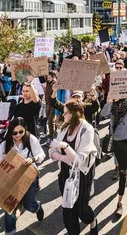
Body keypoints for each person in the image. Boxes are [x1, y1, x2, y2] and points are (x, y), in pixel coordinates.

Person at [49, 100, 98, 235]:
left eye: (65, 113)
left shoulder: (87, 129)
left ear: (74, 114)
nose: (63, 116)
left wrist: (64, 146)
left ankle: (92, 220)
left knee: (81, 211)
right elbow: (51, 153)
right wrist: (63, 158)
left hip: (82, 175)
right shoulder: (64, 127)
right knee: (68, 211)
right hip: (65, 174)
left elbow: (79, 161)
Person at [0, 117, 45, 233]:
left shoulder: (31, 139)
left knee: (29, 205)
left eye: (21, 132)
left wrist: (33, 159)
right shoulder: (4, 145)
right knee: (9, 209)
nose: (18, 135)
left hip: (28, 177)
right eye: (14, 132)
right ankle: (10, 232)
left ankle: (36, 207)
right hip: (10, 180)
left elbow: (41, 154)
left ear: (25, 130)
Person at [100, 84, 127, 217]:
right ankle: (124, 175)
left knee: (122, 171)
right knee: (119, 164)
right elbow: (103, 114)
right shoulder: (111, 104)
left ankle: (119, 203)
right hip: (115, 141)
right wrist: (108, 101)